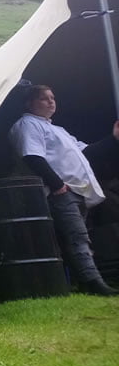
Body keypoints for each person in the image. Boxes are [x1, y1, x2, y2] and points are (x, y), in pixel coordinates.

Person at [8, 84, 119, 296]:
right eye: (44, 98)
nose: (51, 101)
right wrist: (56, 184)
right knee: (77, 236)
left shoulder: (58, 130)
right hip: (60, 191)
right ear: (28, 103)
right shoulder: (27, 125)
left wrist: (113, 138)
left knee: (75, 237)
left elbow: (88, 152)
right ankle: (95, 283)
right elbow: (32, 156)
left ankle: (85, 282)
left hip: (77, 191)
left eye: (52, 97)